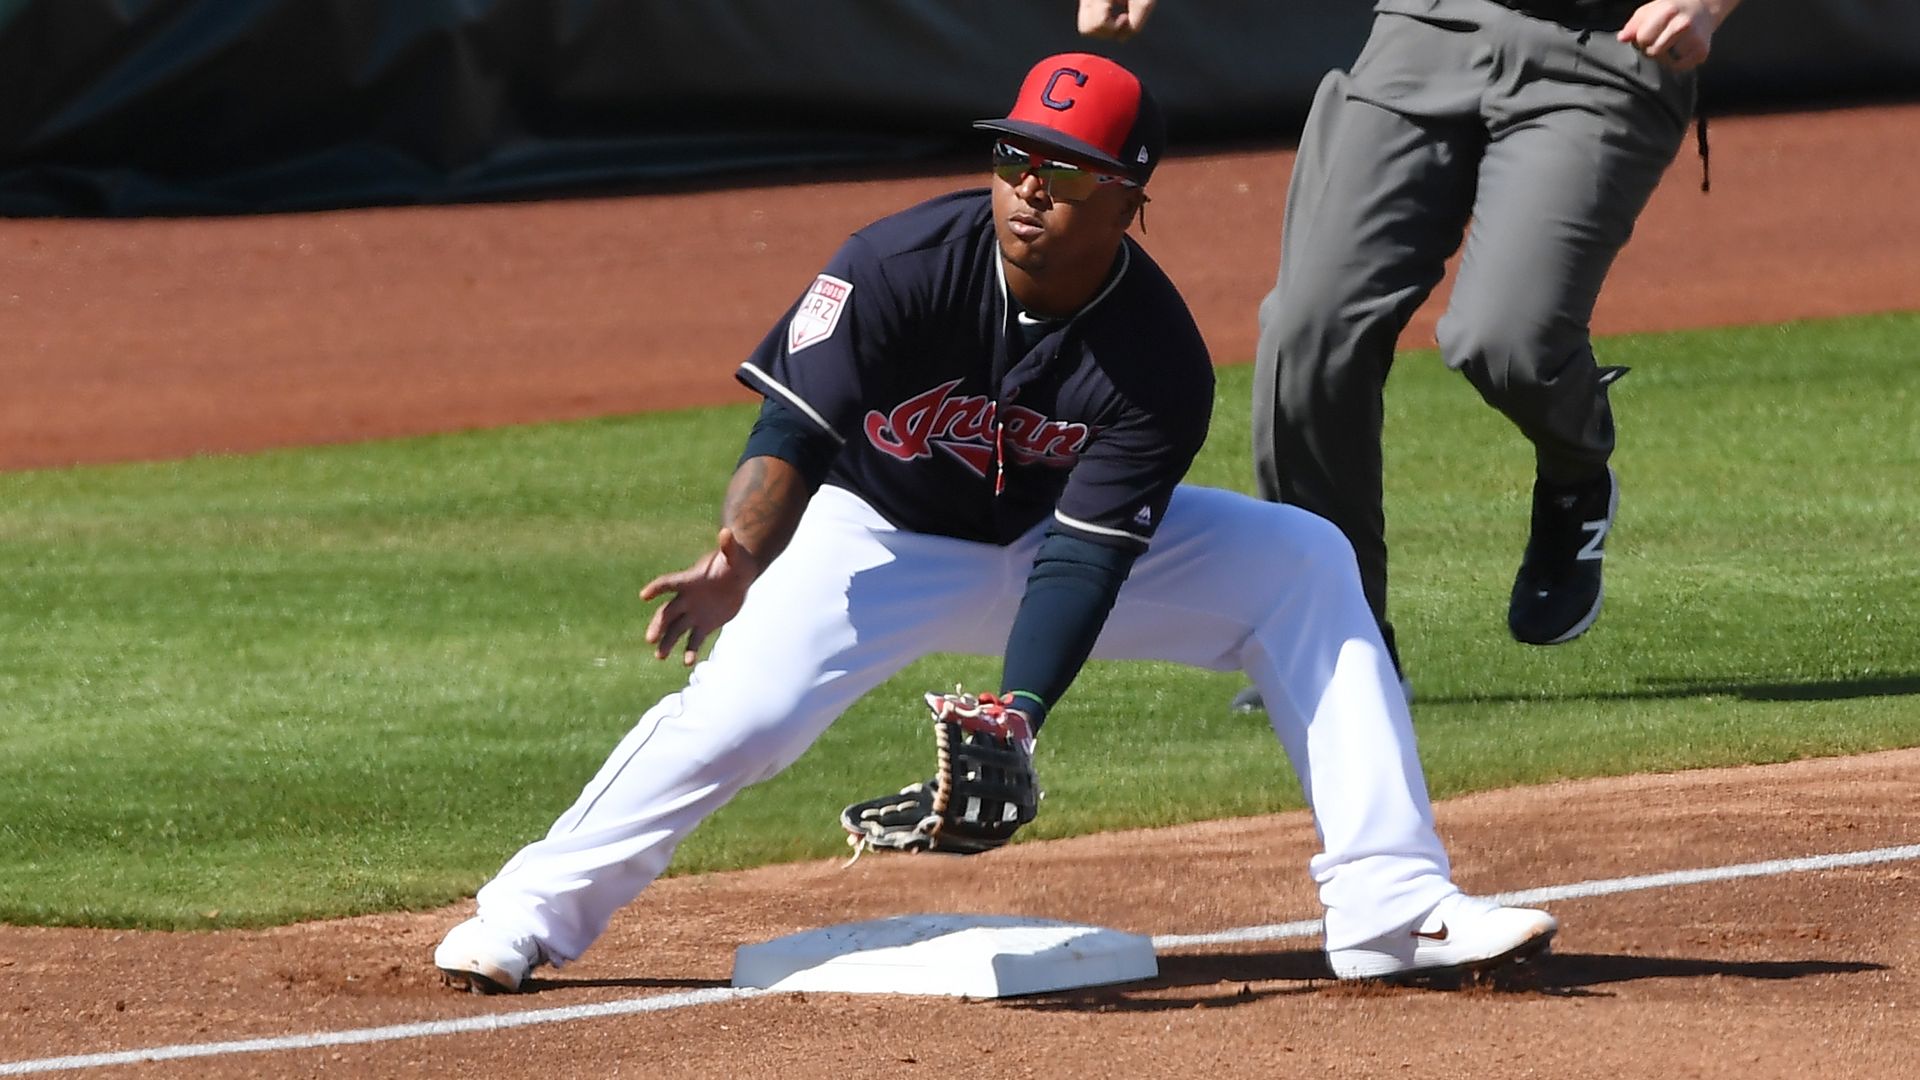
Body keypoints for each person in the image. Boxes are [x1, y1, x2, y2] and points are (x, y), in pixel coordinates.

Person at [433, 52, 1556, 994]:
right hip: (876, 537)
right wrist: (739, 557)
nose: (1028, 186)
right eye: (1015, 155)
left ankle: (1391, 908)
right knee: (738, 719)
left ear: (1129, 195)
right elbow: (792, 436)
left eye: (1064, 168)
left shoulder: (1156, 359)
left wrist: (1017, 712)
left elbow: (1084, 555)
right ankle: (526, 914)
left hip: (1049, 541)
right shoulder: (895, 266)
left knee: (1305, 560)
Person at [1081, 0, 1743, 707]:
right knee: (1311, 328)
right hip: (1430, 23)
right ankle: (1339, 642)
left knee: (1508, 341)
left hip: (1610, 48)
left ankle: (1577, 474)